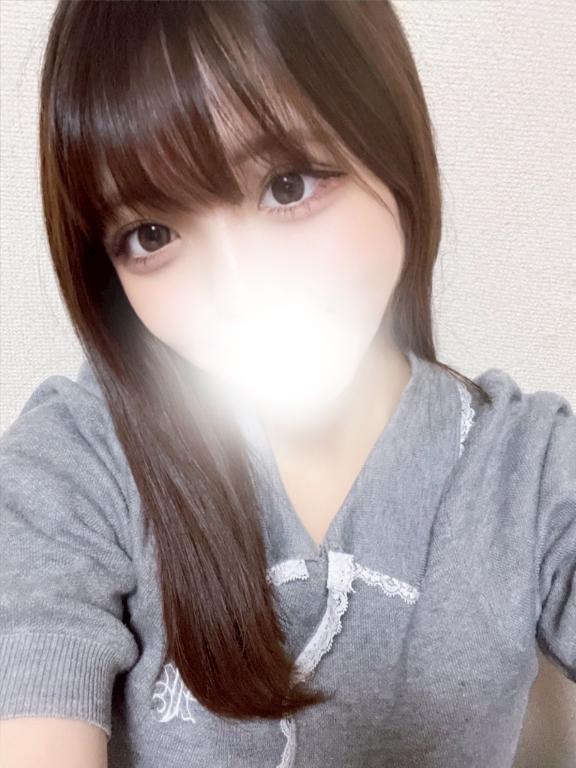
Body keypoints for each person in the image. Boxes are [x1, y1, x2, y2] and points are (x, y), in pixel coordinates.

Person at [0, 1, 574, 766]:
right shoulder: (77, 463)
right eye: (152, 234)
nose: (237, 290)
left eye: (288, 185)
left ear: (390, 146)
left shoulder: (529, 470)